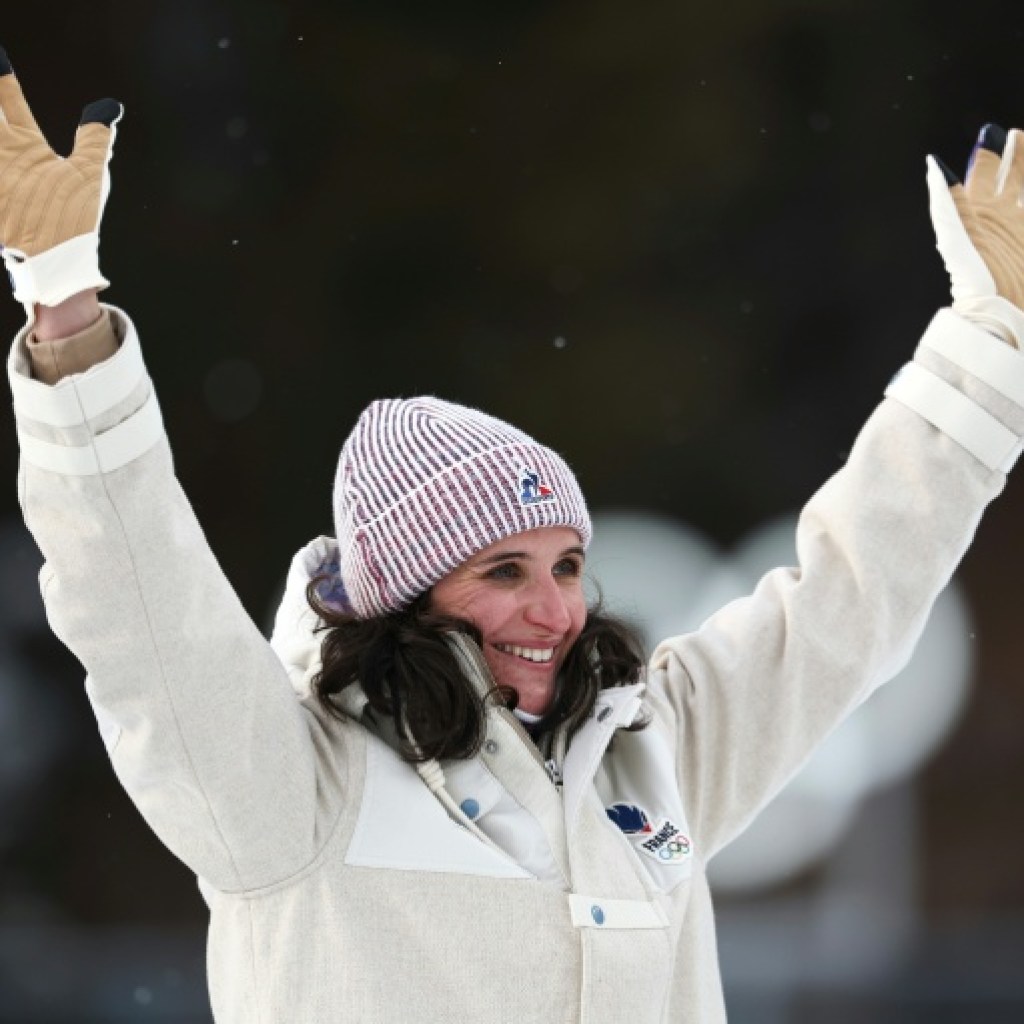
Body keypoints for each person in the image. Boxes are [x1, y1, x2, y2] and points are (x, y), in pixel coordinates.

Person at [3, 44, 1024, 1024]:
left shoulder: (654, 756)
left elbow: (850, 590)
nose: (556, 608)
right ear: (404, 591)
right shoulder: (284, 788)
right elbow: (140, 605)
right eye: (504, 569)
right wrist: (66, 318)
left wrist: (993, 337)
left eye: (568, 564)